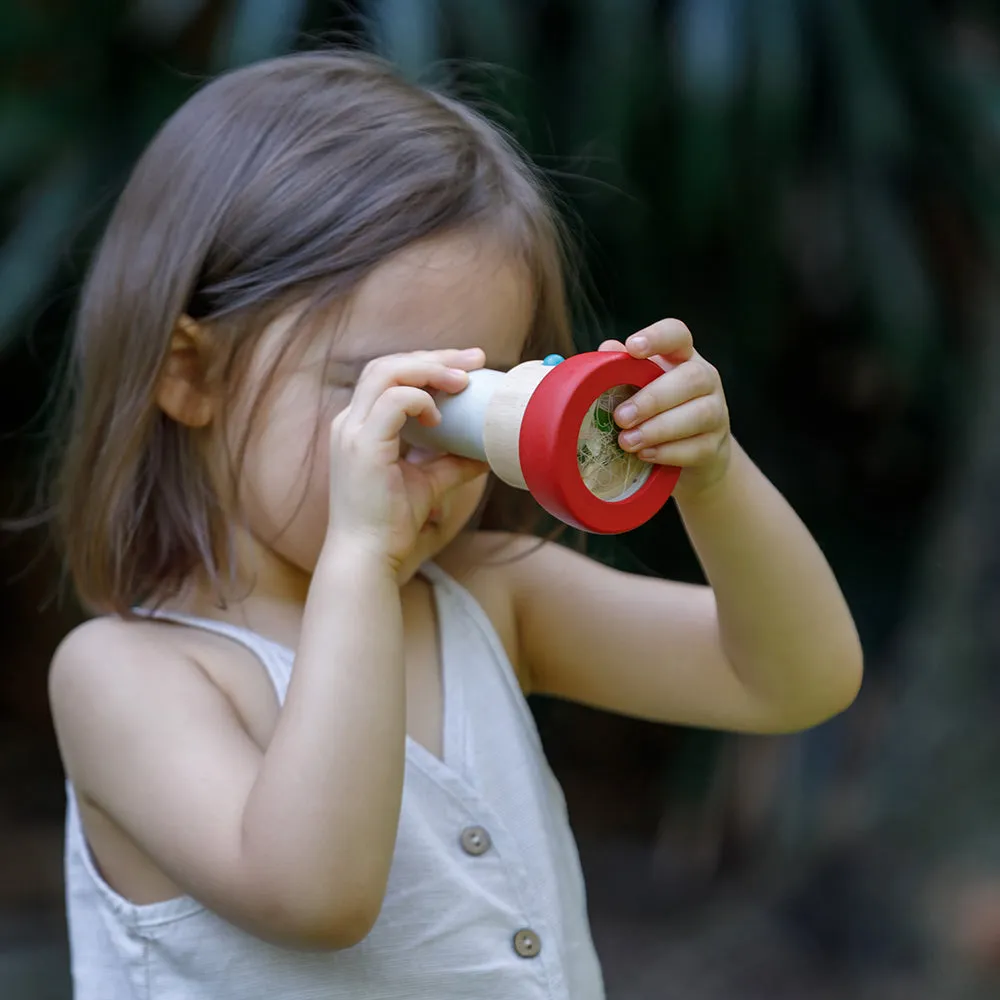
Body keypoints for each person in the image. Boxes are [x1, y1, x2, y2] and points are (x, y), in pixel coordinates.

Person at [45, 49, 862, 1000]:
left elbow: (796, 682)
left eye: (472, 397)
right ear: (192, 375)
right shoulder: (126, 677)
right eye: (373, 388)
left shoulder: (491, 594)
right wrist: (358, 561)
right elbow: (317, 893)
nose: (425, 440)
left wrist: (713, 479)